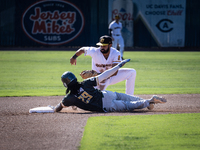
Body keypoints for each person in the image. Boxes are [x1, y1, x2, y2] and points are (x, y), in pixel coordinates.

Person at [54, 59, 166, 113]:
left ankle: (149, 101)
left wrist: (56, 107)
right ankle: (147, 102)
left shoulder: (69, 98)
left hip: (104, 105)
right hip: (106, 94)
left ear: (65, 84)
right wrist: (118, 66)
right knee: (127, 97)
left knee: (128, 106)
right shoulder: (86, 83)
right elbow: (104, 75)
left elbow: (58, 108)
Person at [70, 35, 136, 95]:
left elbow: (115, 72)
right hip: (98, 80)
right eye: (101, 45)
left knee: (132, 72)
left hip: (110, 77)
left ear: (110, 45)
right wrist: (74, 57)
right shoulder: (95, 51)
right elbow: (82, 49)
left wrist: (98, 74)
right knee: (96, 98)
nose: (102, 47)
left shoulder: (115, 53)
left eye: (104, 45)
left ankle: (130, 96)